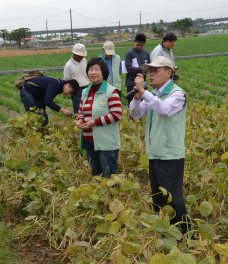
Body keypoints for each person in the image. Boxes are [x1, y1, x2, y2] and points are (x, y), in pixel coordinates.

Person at [129, 56, 189, 233]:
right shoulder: (154, 94)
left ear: (169, 72)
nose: (151, 74)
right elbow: (136, 114)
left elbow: (164, 110)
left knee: (173, 198)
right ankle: (165, 232)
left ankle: (187, 235)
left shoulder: (177, 94)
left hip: (170, 155)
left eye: (156, 70)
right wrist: (138, 97)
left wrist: (145, 93)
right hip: (154, 153)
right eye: (150, 71)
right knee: (158, 198)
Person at [76, 57, 122, 178]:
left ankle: (113, 197)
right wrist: (80, 119)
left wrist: (94, 122)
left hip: (106, 142)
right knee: (96, 175)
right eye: (90, 69)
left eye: (96, 69)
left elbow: (116, 115)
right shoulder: (85, 91)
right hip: (89, 141)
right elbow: (81, 111)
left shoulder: (111, 92)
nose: (93, 72)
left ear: (104, 72)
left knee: (110, 176)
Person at [63, 43, 90, 114]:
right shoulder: (68, 65)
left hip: (88, 87)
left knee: (90, 108)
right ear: (74, 54)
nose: (81, 57)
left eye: (82, 55)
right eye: (79, 55)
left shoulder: (84, 60)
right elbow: (66, 81)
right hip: (77, 91)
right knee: (79, 110)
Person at [124, 33, 150, 104]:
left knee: (143, 104)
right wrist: (141, 68)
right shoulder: (129, 53)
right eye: (137, 45)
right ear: (134, 42)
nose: (139, 47)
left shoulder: (146, 54)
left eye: (141, 45)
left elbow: (149, 66)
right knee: (132, 104)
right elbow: (128, 68)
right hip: (132, 83)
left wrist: (147, 69)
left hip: (143, 82)